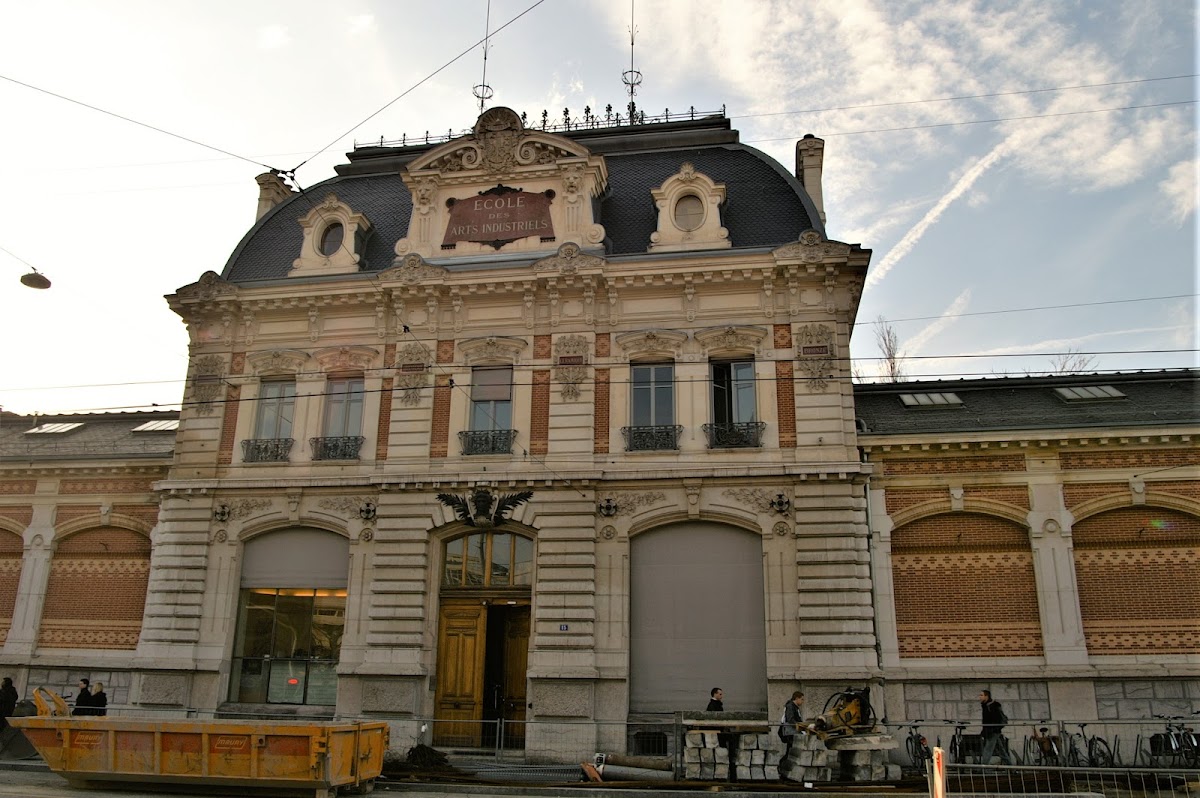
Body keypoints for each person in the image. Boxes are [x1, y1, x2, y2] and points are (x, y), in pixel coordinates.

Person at [979, 689, 1012, 765]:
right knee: (1001, 750)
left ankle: (983, 767)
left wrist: (994, 729)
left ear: (986, 696)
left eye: (981, 695)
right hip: (991, 730)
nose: (979, 697)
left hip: (993, 731)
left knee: (988, 749)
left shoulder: (993, 706)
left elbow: (997, 718)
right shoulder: (985, 706)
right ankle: (1010, 766)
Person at [778, 691, 806, 780]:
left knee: (791, 752)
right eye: (801, 699)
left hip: (792, 732)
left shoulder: (794, 707)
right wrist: (799, 726)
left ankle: (784, 769)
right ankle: (782, 768)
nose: (802, 701)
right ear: (797, 698)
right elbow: (790, 719)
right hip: (790, 732)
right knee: (790, 752)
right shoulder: (791, 706)